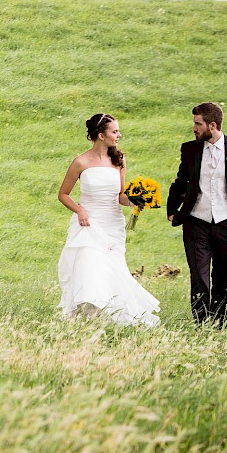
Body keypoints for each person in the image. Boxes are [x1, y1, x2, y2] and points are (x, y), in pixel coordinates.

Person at [57, 113, 160, 326]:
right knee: (90, 267)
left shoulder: (119, 160)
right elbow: (63, 194)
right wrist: (80, 211)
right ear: (101, 135)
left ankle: (110, 317)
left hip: (112, 223)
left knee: (110, 270)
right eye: (114, 131)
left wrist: (134, 200)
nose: (119, 135)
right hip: (88, 224)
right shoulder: (80, 162)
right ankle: (86, 317)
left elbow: (120, 195)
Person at [167, 102, 227, 327]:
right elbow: (180, 182)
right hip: (196, 222)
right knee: (199, 278)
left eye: (198, 124)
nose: (194, 128)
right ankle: (201, 327)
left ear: (212, 125)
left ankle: (219, 329)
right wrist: (172, 211)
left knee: (224, 280)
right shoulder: (190, 149)